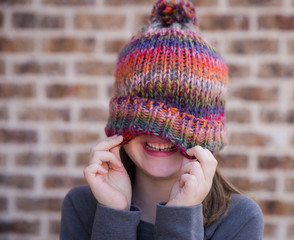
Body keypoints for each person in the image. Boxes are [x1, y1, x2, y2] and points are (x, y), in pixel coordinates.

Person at [60, 0, 264, 239]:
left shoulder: (240, 219)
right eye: (143, 118)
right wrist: (113, 216)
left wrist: (181, 216)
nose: (159, 132)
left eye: (180, 122)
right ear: (121, 122)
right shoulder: (83, 206)